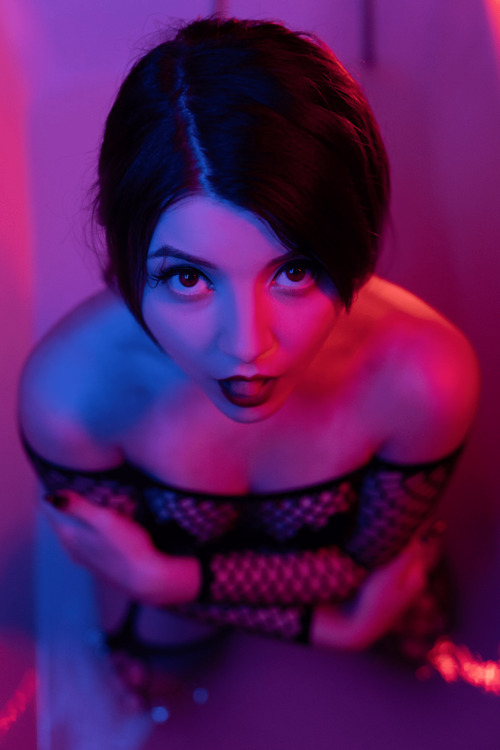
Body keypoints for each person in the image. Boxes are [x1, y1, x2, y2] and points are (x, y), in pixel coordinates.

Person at [19, 16, 479, 706]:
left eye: (294, 270)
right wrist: (331, 629)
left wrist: (168, 580)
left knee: (420, 650)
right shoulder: (72, 397)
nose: (246, 347)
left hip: (270, 586)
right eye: (187, 278)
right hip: (201, 606)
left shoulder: (423, 374)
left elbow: (370, 562)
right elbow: (123, 566)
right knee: (150, 685)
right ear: (124, 248)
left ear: (351, 236)